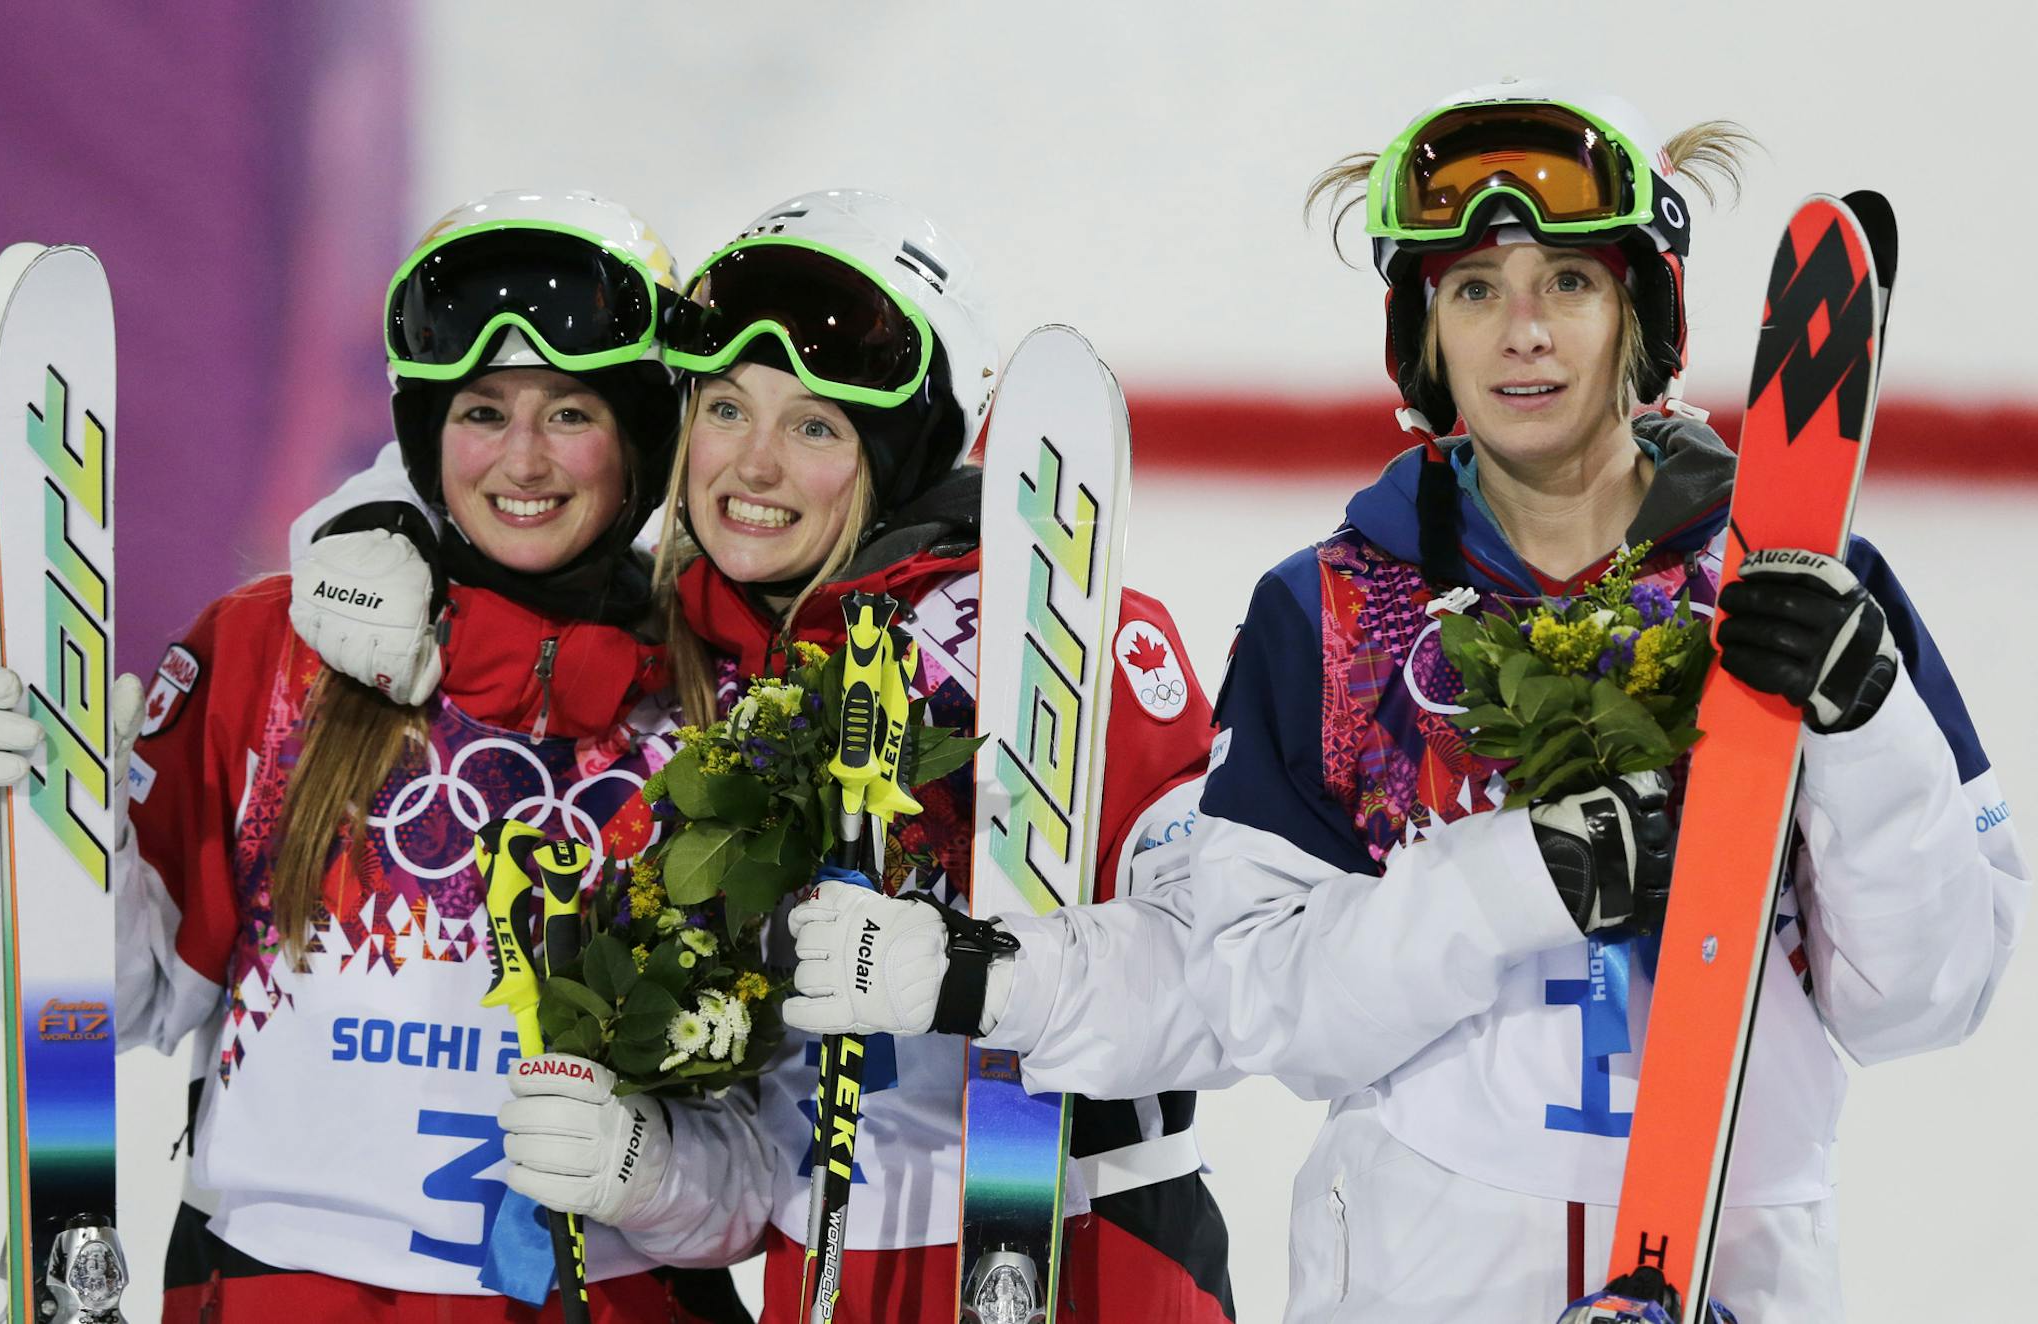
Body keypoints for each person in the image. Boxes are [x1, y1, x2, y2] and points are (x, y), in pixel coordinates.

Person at [284, 189, 1238, 1322]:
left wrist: (973, 974)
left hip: (1091, 1252)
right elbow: (757, 1162)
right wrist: (363, 522)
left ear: (899, 453)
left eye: (819, 427)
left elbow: (1230, 984)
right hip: (822, 1275)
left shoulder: (1048, 638)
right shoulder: (695, 678)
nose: (756, 466)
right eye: (727, 409)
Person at [1183, 79, 2029, 1323]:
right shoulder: (1329, 614)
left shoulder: (1810, 586)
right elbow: (1257, 1006)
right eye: (1473, 289)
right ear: (1422, 331)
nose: (1522, 333)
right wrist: (1507, 885)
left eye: (1569, 283)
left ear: (1644, 312)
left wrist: (1870, 722)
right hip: (1426, 1279)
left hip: (1737, 1270)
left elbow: (1928, 997)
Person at [0, 190, 759, 1322]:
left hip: (607, 1293)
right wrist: (50, 826)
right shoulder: (268, 653)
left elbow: (770, 1159)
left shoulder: (722, 706)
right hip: (278, 1287)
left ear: (640, 434)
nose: (522, 459)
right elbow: (119, 999)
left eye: (570, 412)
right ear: (427, 433)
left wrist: (654, 1169)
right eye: (481, 410)